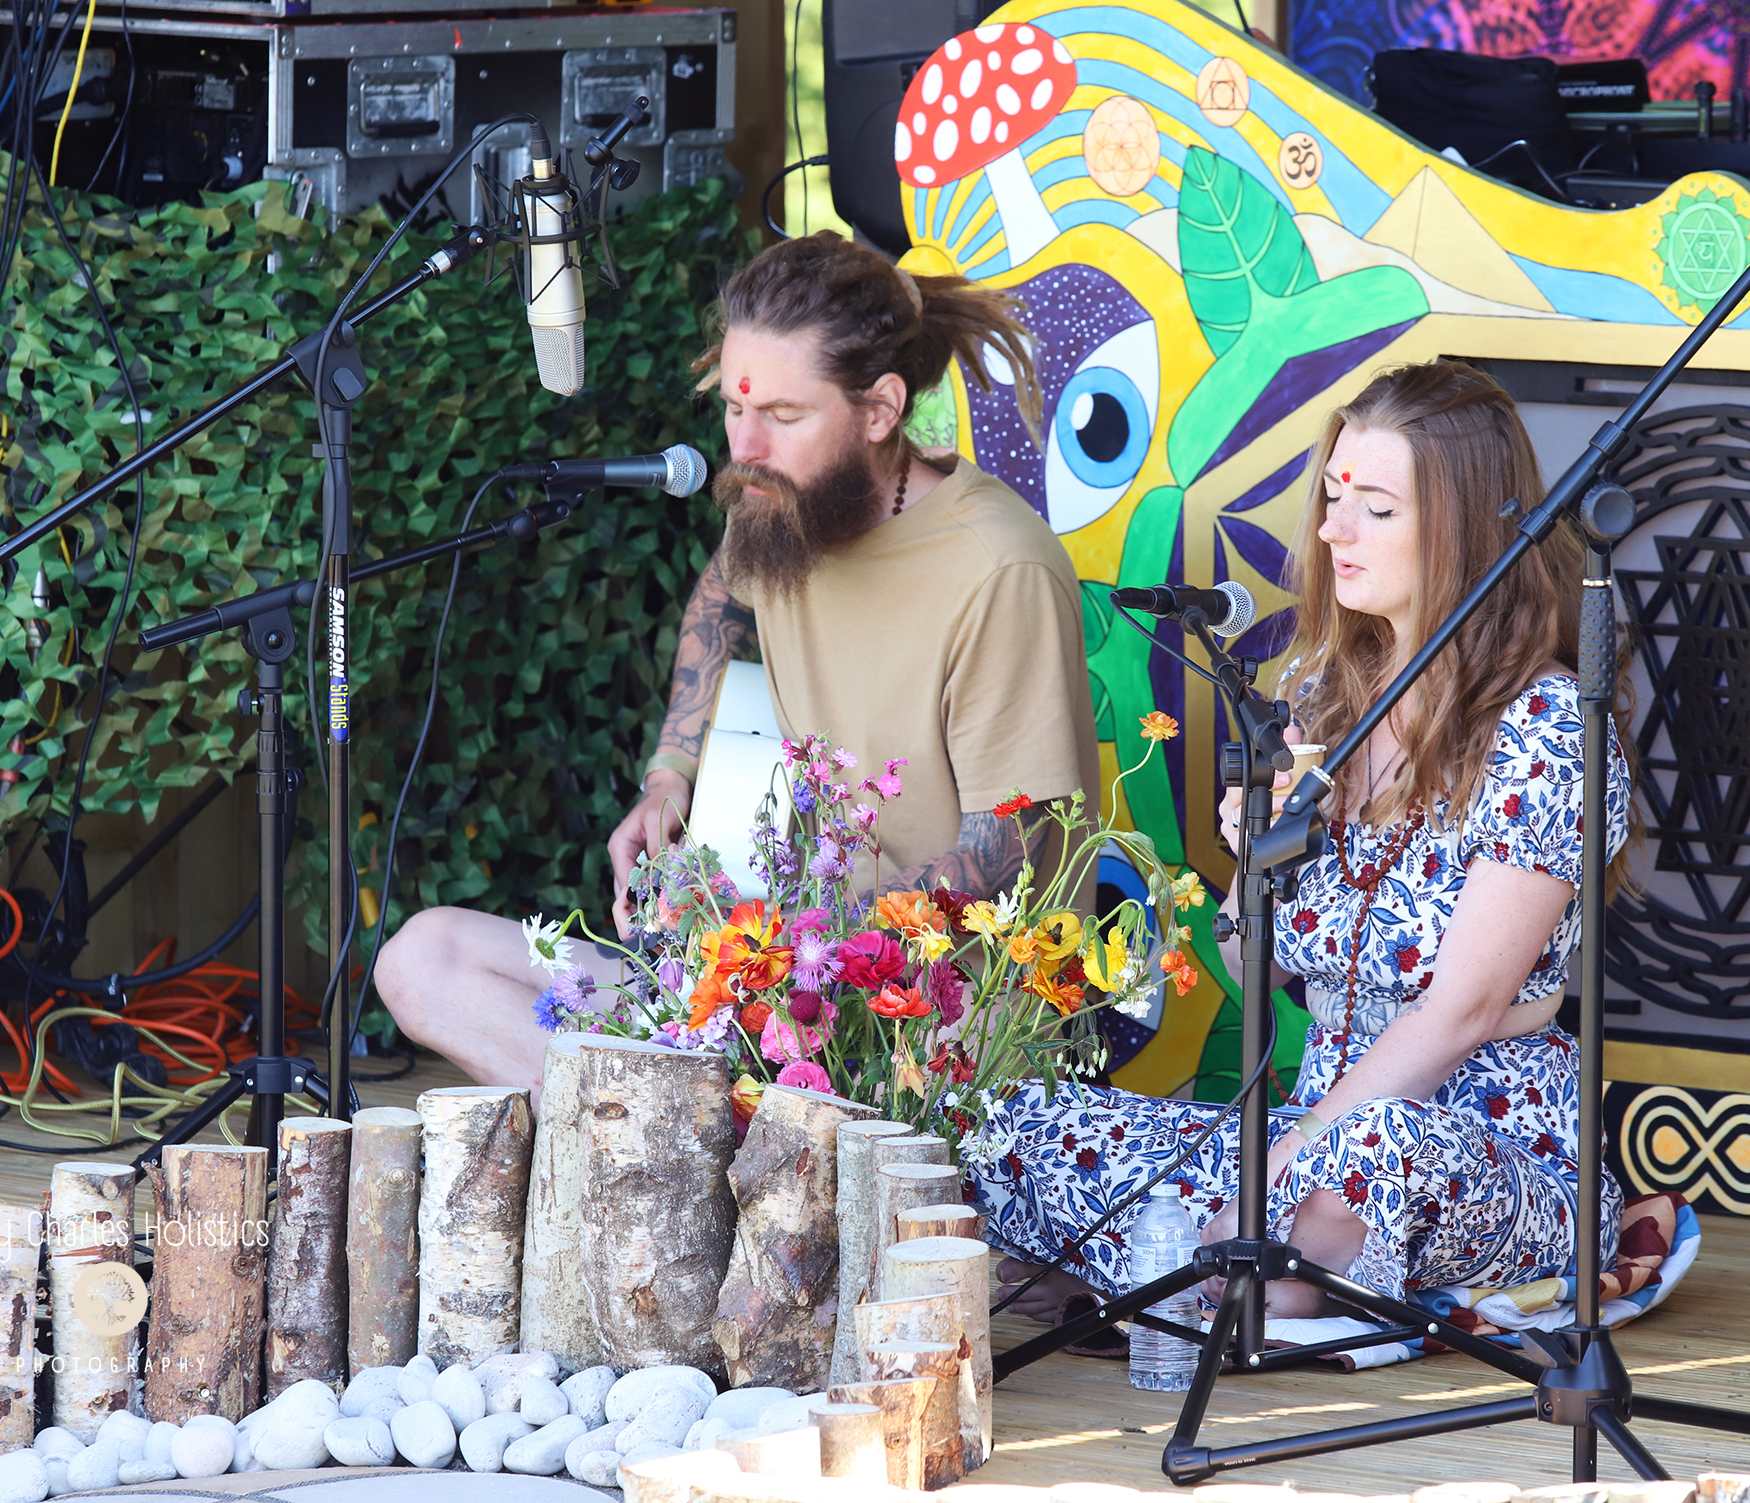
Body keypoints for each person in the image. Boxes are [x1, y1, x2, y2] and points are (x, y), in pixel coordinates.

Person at [970, 359, 1633, 1328]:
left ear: (1462, 526)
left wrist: (1278, 1165)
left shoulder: (1545, 727)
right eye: (1331, 497)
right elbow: (1263, 975)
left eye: (1375, 508)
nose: (1332, 530)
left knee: (1364, 1157)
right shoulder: (1324, 696)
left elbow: (1462, 1011)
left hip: (1473, 1141)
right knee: (1013, 1126)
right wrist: (1254, 863)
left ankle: (1199, 1275)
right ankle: (1225, 1275)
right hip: (1306, 1123)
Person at [375, 232, 1101, 1092]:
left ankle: (672, 1120)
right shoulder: (785, 504)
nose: (745, 444)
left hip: (930, 1043)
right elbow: (720, 596)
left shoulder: (997, 568)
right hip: (767, 995)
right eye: (731, 409)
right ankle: (678, 1120)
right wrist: (668, 777)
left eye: (784, 416)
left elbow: (1004, 851)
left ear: (880, 409)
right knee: (422, 961)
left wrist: (787, 950)